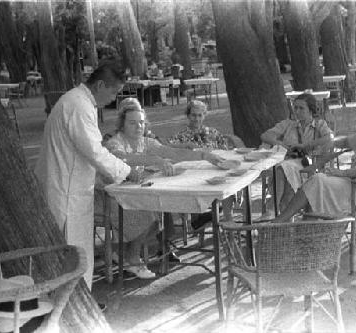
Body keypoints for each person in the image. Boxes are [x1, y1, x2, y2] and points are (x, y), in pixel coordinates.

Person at [34, 62, 142, 290]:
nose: (114, 99)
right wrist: (127, 171)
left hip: (71, 188)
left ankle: (76, 302)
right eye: (113, 92)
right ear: (100, 84)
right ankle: (73, 306)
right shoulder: (78, 105)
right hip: (66, 193)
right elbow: (94, 152)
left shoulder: (79, 102)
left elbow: (88, 151)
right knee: (74, 253)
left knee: (77, 253)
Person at [103, 98, 223, 276]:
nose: (138, 127)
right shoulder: (115, 142)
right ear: (122, 124)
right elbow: (122, 158)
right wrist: (154, 160)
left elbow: (172, 152)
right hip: (112, 195)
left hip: (136, 190)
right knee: (151, 211)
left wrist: (204, 155)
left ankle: (125, 252)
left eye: (142, 123)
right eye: (133, 123)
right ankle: (132, 257)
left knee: (159, 210)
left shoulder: (146, 142)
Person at [272, 95, 356, 223]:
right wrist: (331, 143)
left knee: (318, 182)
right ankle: (304, 231)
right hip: (353, 184)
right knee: (317, 181)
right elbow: (346, 142)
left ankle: (282, 223)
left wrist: (344, 173)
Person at [168, 100, 244, 230]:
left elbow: (225, 152)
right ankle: (201, 217)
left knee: (228, 178)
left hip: (214, 170)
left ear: (204, 115)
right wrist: (184, 146)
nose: (196, 119)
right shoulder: (181, 136)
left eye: (200, 115)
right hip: (194, 174)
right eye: (193, 115)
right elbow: (169, 149)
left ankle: (227, 218)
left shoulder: (213, 132)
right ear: (188, 116)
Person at [260, 93, 333, 211]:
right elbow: (265, 136)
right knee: (284, 172)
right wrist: (281, 144)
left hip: (308, 162)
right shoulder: (288, 124)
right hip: (289, 161)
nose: (297, 111)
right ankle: (285, 219)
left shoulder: (319, 124)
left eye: (301, 108)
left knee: (281, 169)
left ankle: (272, 209)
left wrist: (305, 145)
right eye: (295, 108)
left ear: (310, 110)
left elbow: (329, 138)